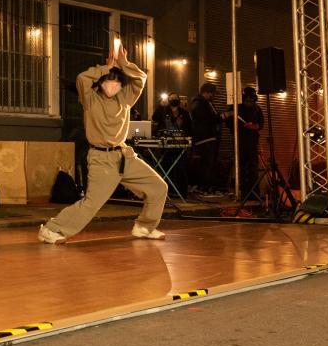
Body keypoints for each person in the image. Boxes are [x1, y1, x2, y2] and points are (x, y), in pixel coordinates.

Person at [38, 44, 168, 243]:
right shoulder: (90, 100)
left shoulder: (124, 99)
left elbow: (140, 78)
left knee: (158, 187)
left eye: (116, 81)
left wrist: (124, 63)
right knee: (92, 203)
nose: (113, 84)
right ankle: (52, 229)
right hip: (101, 158)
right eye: (109, 80)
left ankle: (144, 226)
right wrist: (106, 68)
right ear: (100, 83)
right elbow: (82, 78)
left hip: (125, 156)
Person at [229, 86, 264, 199]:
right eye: (247, 99)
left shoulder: (257, 109)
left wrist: (252, 126)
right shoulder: (237, 108)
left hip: (252, 142)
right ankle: (244, 192)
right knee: (242, 168)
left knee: (253, 168)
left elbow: (261, 125)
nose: (249, 101)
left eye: (251, 99)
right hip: (240, 142)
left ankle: (254, 192)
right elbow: (230, 124)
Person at [189, 82, 223, 195]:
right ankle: (204, 187)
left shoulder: (205, 103)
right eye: (212, 94)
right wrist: (220, 117)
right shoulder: (199, 103)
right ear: (207, 93)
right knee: (207, 163)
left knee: (210, 163)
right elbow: (205, 118)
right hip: (205, 138)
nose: (213, 97)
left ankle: (208, 186)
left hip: (209, 137)